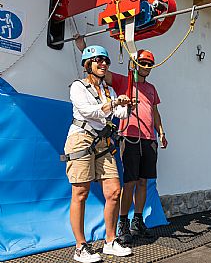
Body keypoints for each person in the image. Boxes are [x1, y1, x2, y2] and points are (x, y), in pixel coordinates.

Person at [75, 36, 168, 244]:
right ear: (135, 63)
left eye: (149, 64)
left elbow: (155, 112)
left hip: (149, 138)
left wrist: (161, 132)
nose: (146, 66)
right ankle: (123, 222)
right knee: (130, 181)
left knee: (144, 181)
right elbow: (99, 70)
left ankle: (137, 221)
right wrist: (83, 48)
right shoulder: (123, 80)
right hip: (129, 136)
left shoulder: (152, 89)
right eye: (142, 62)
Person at [63, 45, 132, 262]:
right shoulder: (78, 86)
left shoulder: (108, 90)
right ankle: (80, 247)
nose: (103, 64)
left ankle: (110, 242)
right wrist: (112, 103)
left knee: (113, 192)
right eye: (98, 60)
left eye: (106, 61)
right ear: (87, 64)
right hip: (81, 139)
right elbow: (88, 111)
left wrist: (124, 104)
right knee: (80, 193)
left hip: (103, 141)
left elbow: (118, 113)